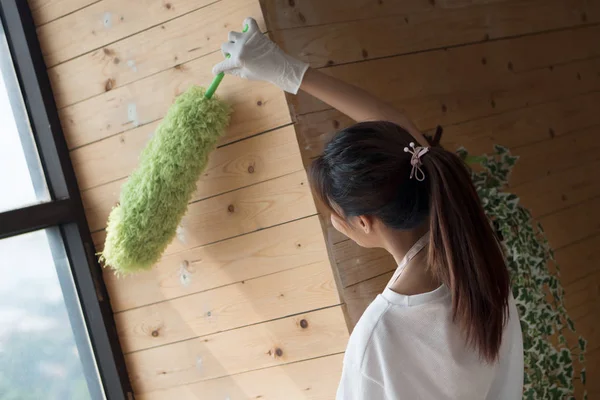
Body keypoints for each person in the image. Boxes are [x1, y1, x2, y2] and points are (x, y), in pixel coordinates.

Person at [213, 17, 524, 400]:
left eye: (334, 213)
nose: (333, 220)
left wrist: (288, 71)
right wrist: (288, 71)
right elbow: (409, 145)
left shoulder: (383, 335)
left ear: (363, 222)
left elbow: (406, 145)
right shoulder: (481, 257)